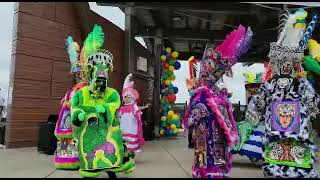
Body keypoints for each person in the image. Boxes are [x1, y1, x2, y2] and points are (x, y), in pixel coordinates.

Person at [235, 9, 320, 178]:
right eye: (284, 63)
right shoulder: (272, 85)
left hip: (295, 141)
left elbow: (314, 105)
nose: (287, 67)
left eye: (291, 63)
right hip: (277, 140)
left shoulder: (299, 85)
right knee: (278, 170)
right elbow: (256, 107)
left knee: (294, 170)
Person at [184, 25, 252, 178]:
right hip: (206, 135)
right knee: (205, 160)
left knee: (212, 160)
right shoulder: (211, 93)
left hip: (214, 135)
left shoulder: (215, 94)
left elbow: (193, 119)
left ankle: (210, 172)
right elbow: (193, 117)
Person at [70, 24, 135, 178]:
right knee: (90, 158)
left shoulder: (112, 93)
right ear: (91, 74)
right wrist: (78, 114)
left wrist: (105, 109)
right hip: (89, 131)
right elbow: (75, 106)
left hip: (107, 130)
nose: (101, 78)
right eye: (98, 74)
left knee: (110, 154)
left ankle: (111, 171)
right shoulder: (82, 93)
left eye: (104, 74)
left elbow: (114, 104)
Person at [53, 36, 87, 170]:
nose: (78, 76)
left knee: (76, 138)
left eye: (81, 74)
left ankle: (77, 159)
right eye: (77, 75)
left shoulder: (85, 89)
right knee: (66, 139)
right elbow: (66, 100)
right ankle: (65, 159)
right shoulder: (73, 89)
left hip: (78, 119)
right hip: (66, 119)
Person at [119, 73, 149, 155]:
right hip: (123, 128)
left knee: (131, 142)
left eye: (128, 97)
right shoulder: (122, 107)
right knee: (123, 141)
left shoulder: (134, 106)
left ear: (132, 97)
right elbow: (119, 116)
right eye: (125, 97)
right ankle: (124, 153)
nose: (126, 99)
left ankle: (130, 153)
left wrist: (141, 111)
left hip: (131, 127)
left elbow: (138, 112)